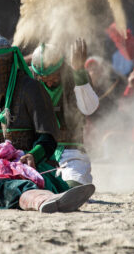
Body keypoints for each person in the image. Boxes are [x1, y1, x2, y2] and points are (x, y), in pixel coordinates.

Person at [0, 24, 88, 194]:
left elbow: (47, 138)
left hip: (33, 164)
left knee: (25, 188)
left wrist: (33, 155)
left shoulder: (30, 88)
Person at [30, 40, 99, 187]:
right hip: (40, 152)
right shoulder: (30, 80)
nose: (48, 83)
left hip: (71, 152)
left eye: (53, 78)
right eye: (44, 79)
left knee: (72, 185)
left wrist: (79, 71)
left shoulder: (76, 75)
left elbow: (89, 108)